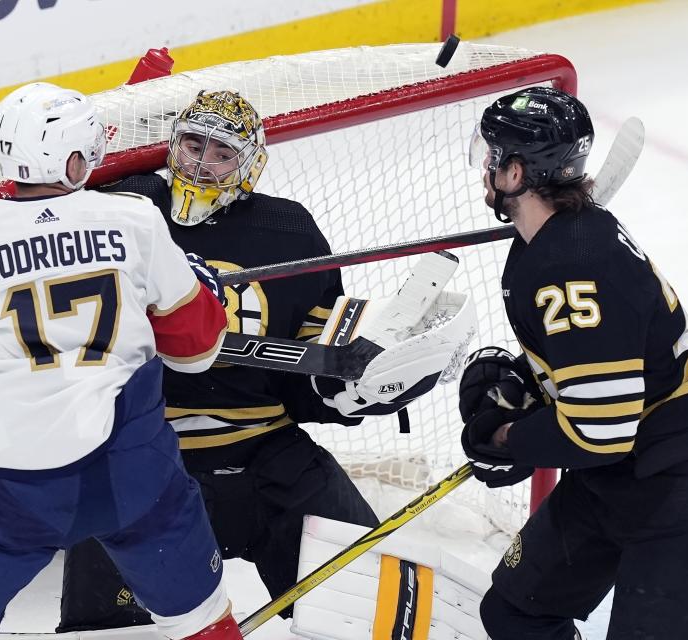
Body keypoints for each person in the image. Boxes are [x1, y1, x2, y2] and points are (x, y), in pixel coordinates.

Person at [57, 90, 457, 631]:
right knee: (102, 630)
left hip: (269, 453)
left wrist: (359, 391)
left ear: (249, 165)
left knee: (377, 612)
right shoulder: (120, 210)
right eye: (191, 144)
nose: (200, 163)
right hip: (142, 458)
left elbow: (306, 378)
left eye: (219, 153)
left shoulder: (287, 231)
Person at [0, 81, 243, 640]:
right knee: (206, 624)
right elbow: (196, 353)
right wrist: (201, 292)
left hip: (15, 496)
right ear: (70, 157)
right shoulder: (134, 219)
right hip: (137, 479)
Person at [458, 86, 688, 639]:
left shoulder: (568, 264)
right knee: (516, 611)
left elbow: (600, 429)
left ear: (515, 174)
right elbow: (603, 355)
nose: (483, 167)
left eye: (492, 156)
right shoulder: (561, 235)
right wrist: (532, 380)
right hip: (629, 455)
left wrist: (508, 438)